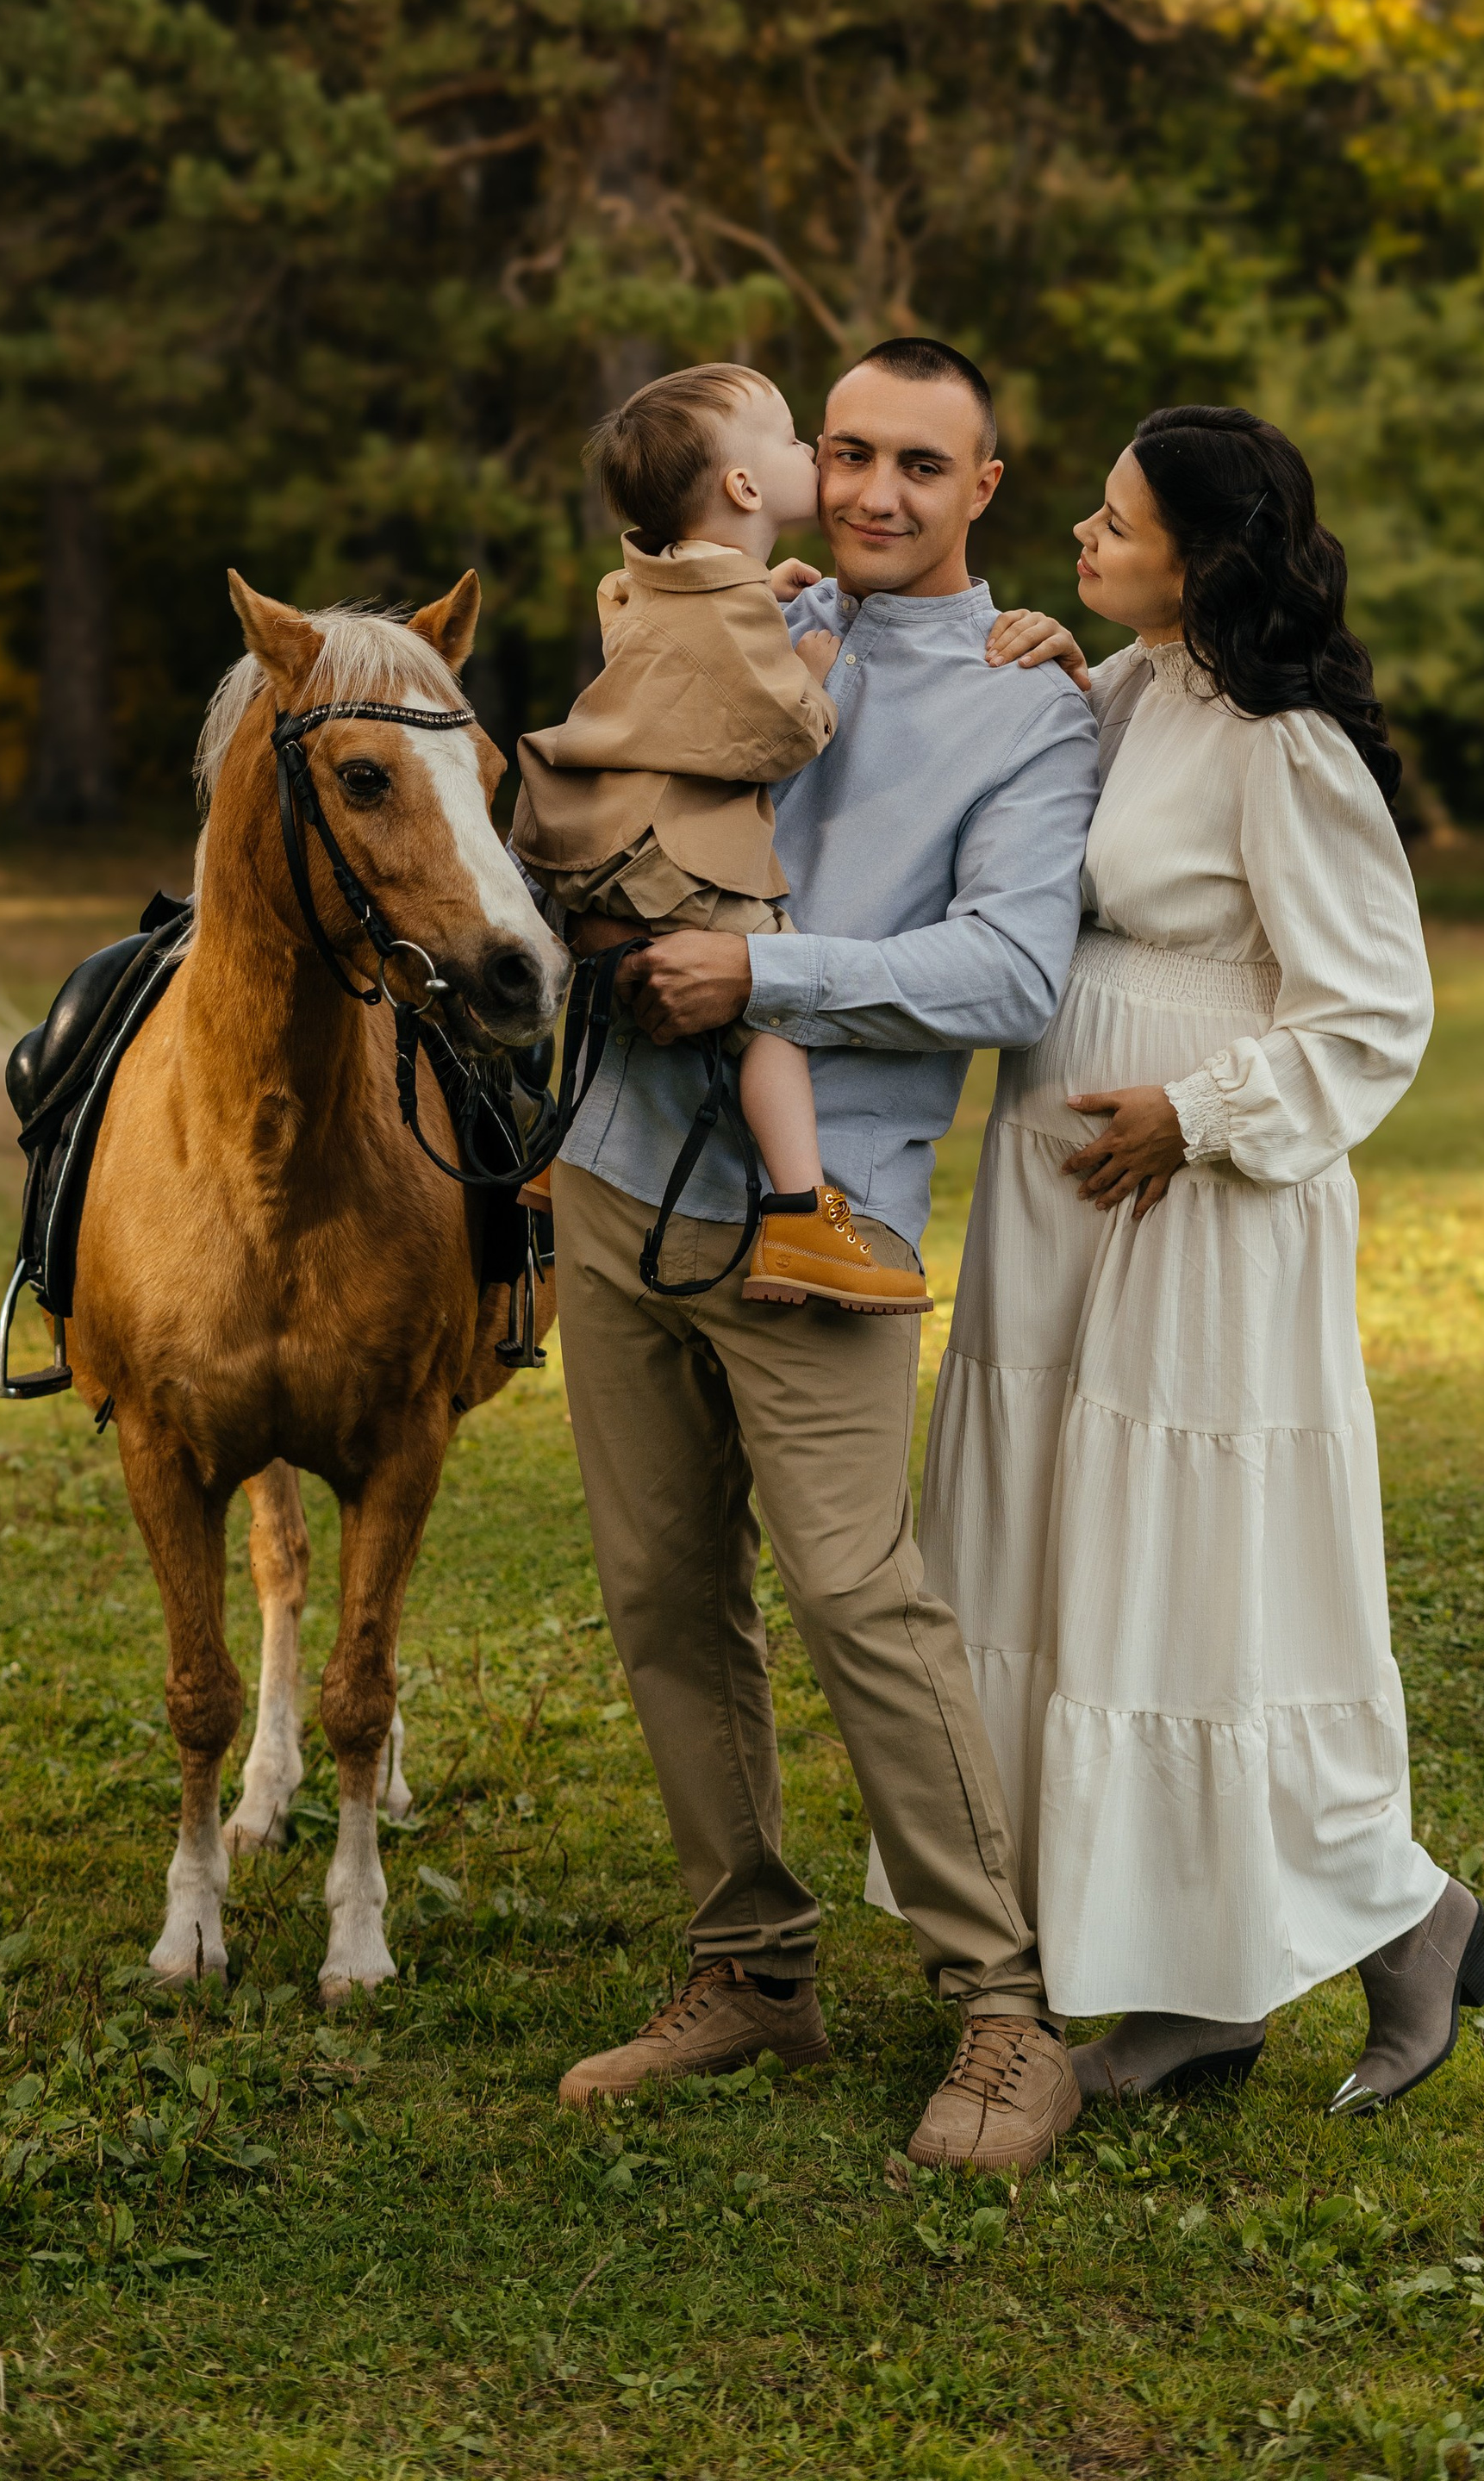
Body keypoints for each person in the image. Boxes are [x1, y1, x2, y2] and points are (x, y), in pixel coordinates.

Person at [546, 338, 1100, 2172]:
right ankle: (747, 1967)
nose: (869, 492)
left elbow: (1012, 976)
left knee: (863, 1602)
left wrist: (764, 974)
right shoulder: (732, 608)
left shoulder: (1030, 710)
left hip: (821, 1219)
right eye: (845, 452)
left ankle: (1001, 2012)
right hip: (616, 1176)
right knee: (658, 1593)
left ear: (983, 489)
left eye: (916, 469)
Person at [918, 406, 1484, 2113]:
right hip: (1063, 1209)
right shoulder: (1116, 689)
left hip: (1197, 1208)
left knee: (1186, 1589)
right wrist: (1017, 648)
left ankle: (1397, 1915)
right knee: (1078, 1580)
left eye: (1109, 527)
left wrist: (1195, 1110)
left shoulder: (1279, 739)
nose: (1080, 545)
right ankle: (1189, 1997)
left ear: (1198, 559)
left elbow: (1373, 1010)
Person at [511, 361, 926, 1312]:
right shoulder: (740, 609)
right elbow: (773, 737)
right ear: (745, 488)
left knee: (602, 983)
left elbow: (664, 640)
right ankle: (797, 1214)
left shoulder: (652, 575)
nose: (810, 451)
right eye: (790, 441)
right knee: (766, 1000)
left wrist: (753, 590)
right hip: (675, 854)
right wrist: (810, 676)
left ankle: (549, 1153)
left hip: (588, 836)